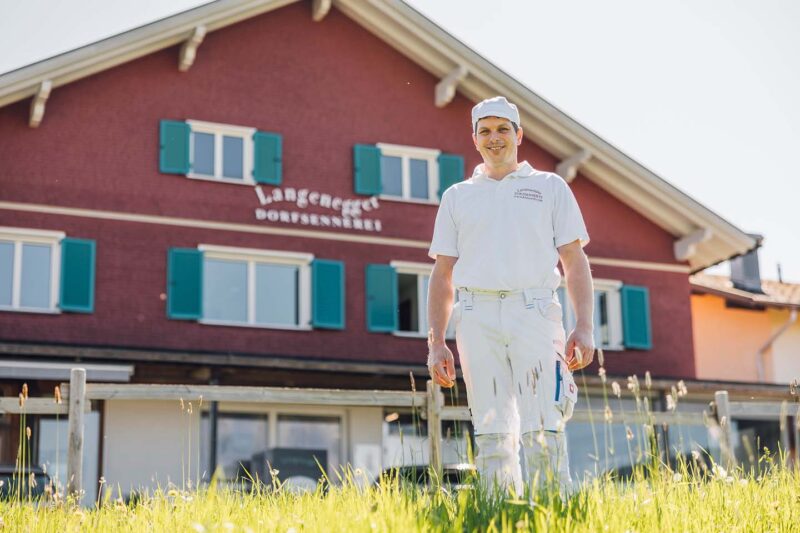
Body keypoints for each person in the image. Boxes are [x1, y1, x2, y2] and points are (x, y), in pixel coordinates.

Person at [426, 96, 595, 496]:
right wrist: (436, 343)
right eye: (485, 131)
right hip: (476, 316)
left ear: (519, 135)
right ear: (474, 139)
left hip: (534, 311)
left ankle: (551, 511)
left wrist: (584, 326)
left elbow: (574, 260)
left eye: (503, 129)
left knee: (544, 426)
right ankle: (499, 510)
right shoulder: (457, 196)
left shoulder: (549, 187)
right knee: (491, 430)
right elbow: (442, 273)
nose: (494, 138)